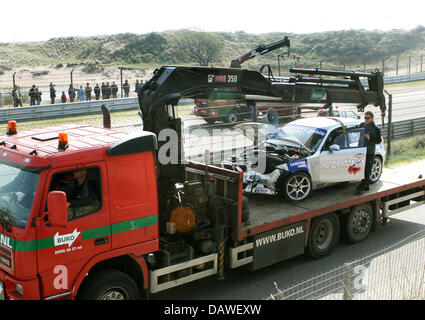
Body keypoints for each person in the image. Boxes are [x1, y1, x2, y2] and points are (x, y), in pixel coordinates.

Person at [356, 111, 381, 194]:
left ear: (372, 118)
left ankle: (364, 185)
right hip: (361, 150)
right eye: (365, 118)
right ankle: (365, 185)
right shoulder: (363, 125)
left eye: (368, 118)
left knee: (367, 169)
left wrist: (370, 138)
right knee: (362, 168)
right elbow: (355, 128)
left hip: (370, 151)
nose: (366, 119)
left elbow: (378, 140)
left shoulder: (376, 129)